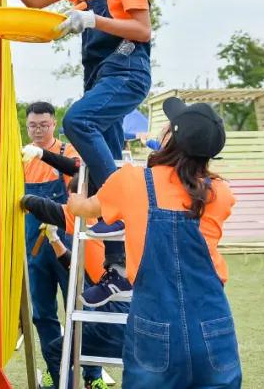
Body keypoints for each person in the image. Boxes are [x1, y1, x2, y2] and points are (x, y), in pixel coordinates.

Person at [0, 0, 152, 307]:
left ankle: (107, 211)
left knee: (78, 122)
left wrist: (92, 18)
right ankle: (117, 272)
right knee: (106, 158)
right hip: (99, 79)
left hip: (127, 73)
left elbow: (142, 29)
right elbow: (34, 1)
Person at [66, 99, 241, 388]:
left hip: (155, 324)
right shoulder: (219, 192)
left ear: (171, 138)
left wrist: (74, 204)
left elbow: (88, 208)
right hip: (213, 322)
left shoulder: (133, 181)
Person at [22, 189, 123, 389]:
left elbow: (48, 208)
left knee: (75, 326)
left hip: (116, 329)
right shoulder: (116, 232)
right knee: (47, 315)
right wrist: (54, 239)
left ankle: (87, 377)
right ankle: (71, 377)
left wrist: (23, 199)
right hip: (140, 324)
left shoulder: (87, 226)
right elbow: (74, 265)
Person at [21, 102, 84, 386]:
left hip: (66, 244)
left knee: (78, 310)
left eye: (43, 125)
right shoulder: (21, 157)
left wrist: (43, 155)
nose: (37, 130)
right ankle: (56, 373)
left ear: (54, 123)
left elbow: (79, 174)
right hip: (34, 248)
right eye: (32, 125)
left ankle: (91, 374)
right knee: (42, 315)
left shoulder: (67, 153)